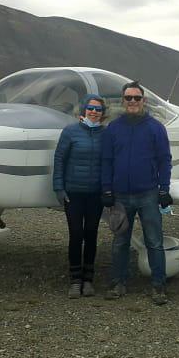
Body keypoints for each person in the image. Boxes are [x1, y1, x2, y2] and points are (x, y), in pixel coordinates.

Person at [100, 81, 173, 305]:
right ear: (123, 101)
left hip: (148, 194)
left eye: (136, 98)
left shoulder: (155, 128)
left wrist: (164, 189)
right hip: (121, 196)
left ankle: (158, 285)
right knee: (120, 241)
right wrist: (107, 189)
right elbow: (107, 160)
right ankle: (118, 282)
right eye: (128, 98)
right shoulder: (113, 128)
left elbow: (164, 160)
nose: (132, 101)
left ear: (144, 101)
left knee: (154, 241)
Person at [52, 94, 107, 298]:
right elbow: (59, 159)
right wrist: (58, 187)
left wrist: (108, 189)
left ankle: (88, 280)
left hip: (95, 194)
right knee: (76, 234)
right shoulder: (70, 132)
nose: (94, 112)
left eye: (98, 109)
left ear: (102, 113)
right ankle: (75, 280)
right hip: (73, 193)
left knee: (91, 234)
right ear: (83, 110)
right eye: (90, 108)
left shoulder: (105, 134)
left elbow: (109, 162)